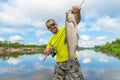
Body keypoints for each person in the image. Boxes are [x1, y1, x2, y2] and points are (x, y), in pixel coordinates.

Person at [44, 5, 84, 80]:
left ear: (56, 24)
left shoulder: (66, 27)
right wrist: (47, 51)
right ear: (48, 29)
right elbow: (46, 51)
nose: (52, 27)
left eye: (53, 24)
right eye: (49, 27)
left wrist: (77, 12)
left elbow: (77, 20)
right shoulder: (50, 40)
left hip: (72, 59)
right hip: (59, 63)